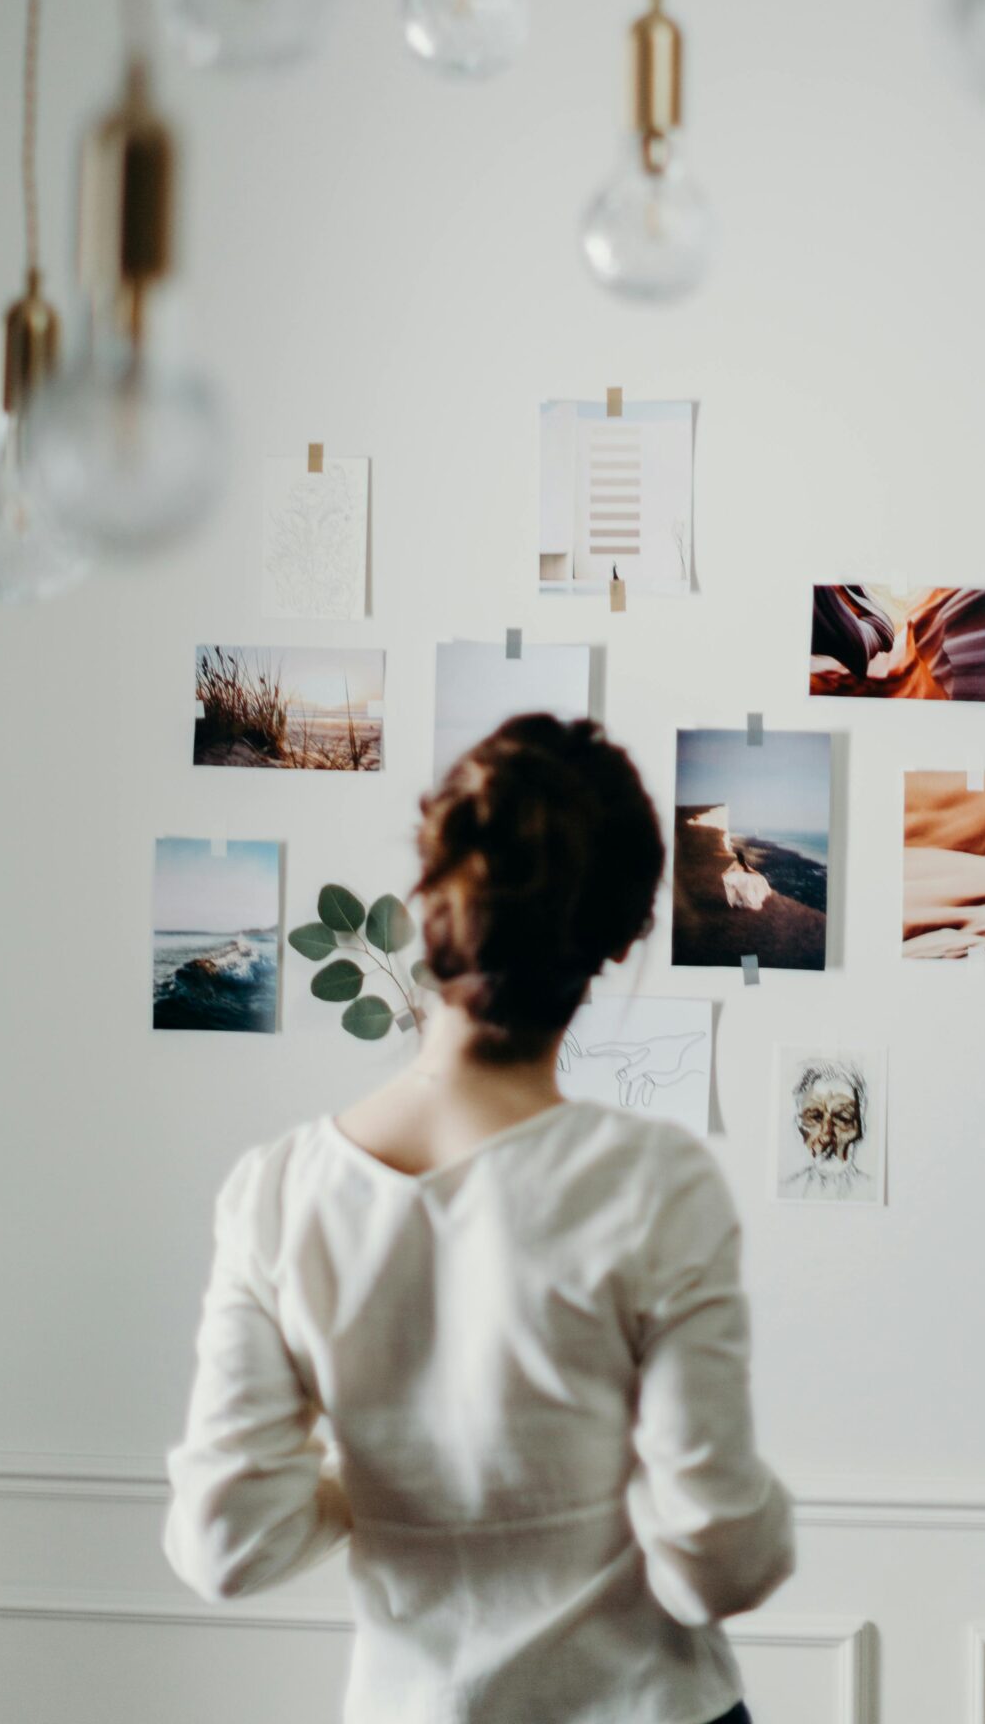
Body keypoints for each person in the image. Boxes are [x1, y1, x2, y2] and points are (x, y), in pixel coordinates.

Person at [164, 713, 793, 1724]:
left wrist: (367, 1479)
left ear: (431, 896)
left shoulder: (277, 1191)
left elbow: (228, 1540)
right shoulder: (652, 1183)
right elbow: (716, 1560)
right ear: (625, 933)